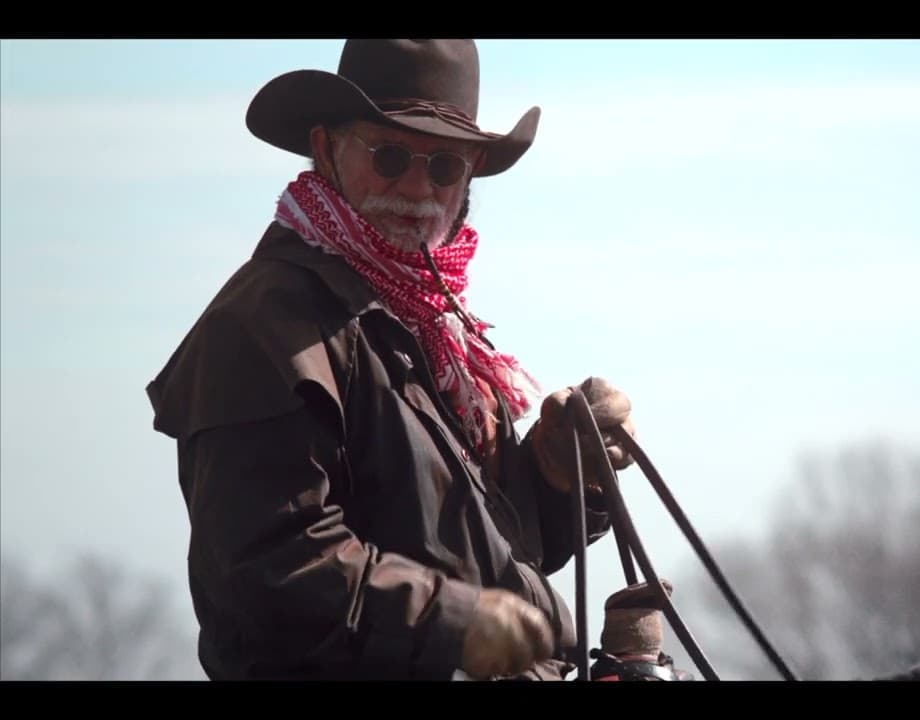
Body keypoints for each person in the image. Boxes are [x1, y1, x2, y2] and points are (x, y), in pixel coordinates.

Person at [145, 39, 639, 681]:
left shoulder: (424, 321)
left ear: (471, 173)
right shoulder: (264, 324)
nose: (416, 187)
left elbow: (470, 550)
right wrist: (456, 625)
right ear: (326, 150)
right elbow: (272, 570)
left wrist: (555, 476)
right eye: (391, 155)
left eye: (442, 166)